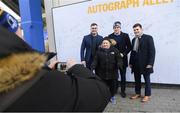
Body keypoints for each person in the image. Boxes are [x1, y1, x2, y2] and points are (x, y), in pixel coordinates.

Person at [0, 26, 111, 112]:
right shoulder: (45, 83)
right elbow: (101, 93)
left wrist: (42, 71)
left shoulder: (101, 38)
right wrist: (76, 67)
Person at [91, 37, 123, 104]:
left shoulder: (115, 50)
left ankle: (112, 96)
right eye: (104, 43)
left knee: (113, 86)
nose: (105, 44)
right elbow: (95, 60)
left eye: (106, 43)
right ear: (102, 44)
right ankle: (103, 97)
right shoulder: (98, 51)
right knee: (102, 86)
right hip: (101, 73)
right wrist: (93, 66)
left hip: (113, 73)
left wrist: (119, 64)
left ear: (110, 44)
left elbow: (119, 59)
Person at [129, 23, 156, 102]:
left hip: (145, 64)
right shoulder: (134, 39)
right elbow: (133, 52)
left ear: (141, 29)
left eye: (137, 29)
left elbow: (152, 51)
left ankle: (147, 95)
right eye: (134, 30)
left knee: (147, 80)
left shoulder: (148, 38)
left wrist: (150, 63)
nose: (136, 31)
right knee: (137, 79)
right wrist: (130, 62)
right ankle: (138, 93)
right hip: (136, 64)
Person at [108, 21, 132, 98]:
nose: (116, 29)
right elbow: (109, 47)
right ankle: (114, 90)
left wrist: (123, 54)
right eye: (115, 27)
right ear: (113, 28)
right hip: (113, 60)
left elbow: (129, 47)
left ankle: (123, 91)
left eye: (118, 27)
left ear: (120, 28)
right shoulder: (110, 36)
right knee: (114, 76)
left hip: (123, 59)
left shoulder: (125, 35)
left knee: (123, 75)